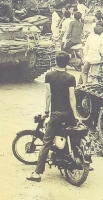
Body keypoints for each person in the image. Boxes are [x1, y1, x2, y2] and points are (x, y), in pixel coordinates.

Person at [27, 51, 81, 182]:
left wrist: (46, 110)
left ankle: (37, 173)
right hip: (68, 115)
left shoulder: (49, 76)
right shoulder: (71, 78)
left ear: (55, 62)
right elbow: (72, 97)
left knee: (47, 142)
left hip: (56, 114)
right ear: (67, 63)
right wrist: (75, 116)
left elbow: (48, 95)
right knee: (73, 135)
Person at [80, 22, 103, 86]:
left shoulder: (89, 38)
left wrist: (85, 56)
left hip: (88, 58)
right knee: (94, 76)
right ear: (101, 33)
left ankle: (84, 84)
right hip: (96, 60)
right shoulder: (101, 40)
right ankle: (94, 86)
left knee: (84, 72)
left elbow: (85, 49)